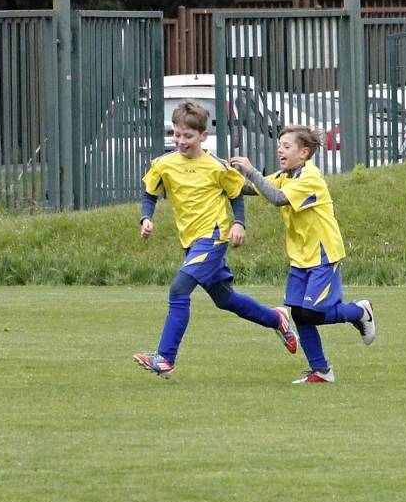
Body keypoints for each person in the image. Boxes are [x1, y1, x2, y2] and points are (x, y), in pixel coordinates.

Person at [133, 100, 298, 379]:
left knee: (178, 290)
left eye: (188, 136)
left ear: (202, 137)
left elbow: (235, 194)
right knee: (225, 299)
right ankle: (276, 319)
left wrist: (239, 223)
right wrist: (146, 218)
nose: (181, 141)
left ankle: (165, 358)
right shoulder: (163, 164)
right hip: (191, 241)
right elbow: (150, 192)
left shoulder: (216, 166)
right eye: (177, 134)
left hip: (213, 236)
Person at [230, 125, 376, 384]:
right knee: (298, 313)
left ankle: (358, 312)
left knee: (311, 313)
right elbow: (255, 189)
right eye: (280, 146)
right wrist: (219, 171)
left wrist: (250, 169)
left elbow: (275, 197)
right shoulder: (287, 174)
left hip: (322, 254)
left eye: (287, 146)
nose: (280, 150)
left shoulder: (309, 177)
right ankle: (321, 370)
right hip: (300, 257)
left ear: (304, 153)